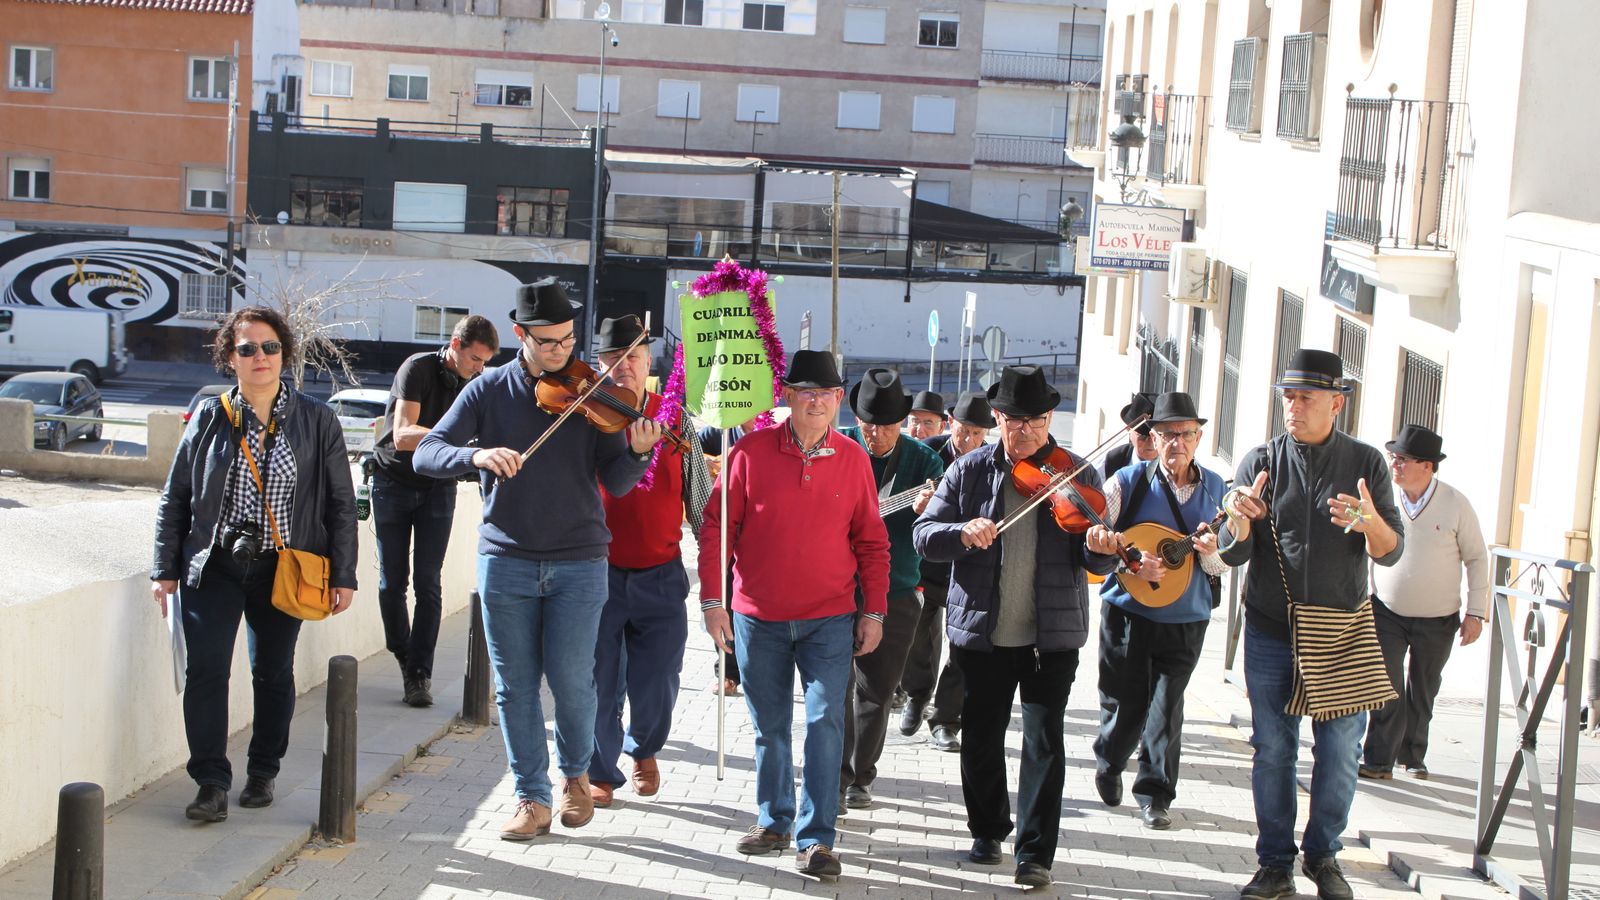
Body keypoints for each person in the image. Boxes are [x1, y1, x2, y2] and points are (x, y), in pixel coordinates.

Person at [413, 278, 663, 841]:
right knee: (514, 686)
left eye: (569, 341)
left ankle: (575, 777)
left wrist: (639, 453)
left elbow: (618, 483)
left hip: (579, 560)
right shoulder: (486, 391)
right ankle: (532, 797)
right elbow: (426, 453)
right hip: (506, 560)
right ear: (521, 335)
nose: (562, 353)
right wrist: (476, 454)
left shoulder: (590, 390)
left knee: (574, 681)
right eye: (548, 343)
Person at [912, 365, 1123, 889]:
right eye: (1014, 420)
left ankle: (1035, 854)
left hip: (1051, 635)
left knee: (1044, 742)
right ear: (998, 419)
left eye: (1037, 421)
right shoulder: (969, 471)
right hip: (983, 632)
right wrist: (962, 532)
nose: (1026, 431)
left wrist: (1102, 552)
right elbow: (924, 534)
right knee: (981, 736)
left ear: (1050, 418)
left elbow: (1096, 562)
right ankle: (987, 830)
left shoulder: (1077, 473)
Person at [151, 305, 357, 824]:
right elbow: (175, 496)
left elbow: (339, 502)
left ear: (284, 354)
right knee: (206, 673)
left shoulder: (317, 418)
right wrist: (164, 568)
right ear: (230, 357)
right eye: (247, 348)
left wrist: (344, 574)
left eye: (269, 347)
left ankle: (263, 769)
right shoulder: (208, 415)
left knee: (272, 673)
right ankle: (211, 783)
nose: (260, 357)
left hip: (282, 568)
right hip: (214, 564)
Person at [698, 349, 890, 883]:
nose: (814, 401)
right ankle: (774, 821)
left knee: (825, 721)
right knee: (770, 727)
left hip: (830, 618)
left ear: (837, 401)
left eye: (825, 393)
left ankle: (817, 839)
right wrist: (714, 602)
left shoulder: (853, 459)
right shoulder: (748, 452)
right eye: (804, 391)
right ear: (786, 396)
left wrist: (873, 609)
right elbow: (717, 529)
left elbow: (872, 542)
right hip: (757, 616)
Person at [1223, 349, 1405, 900]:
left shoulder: (1367, 463)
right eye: (1287, 397)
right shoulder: (1260, 461)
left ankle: (1324, 857)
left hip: (1342, 631)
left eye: (1305, 398)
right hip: (1272, 630)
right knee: (1273, 750)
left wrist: (1372, 522)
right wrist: (1238, 522)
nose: (1293, 407)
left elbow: (1390, 552)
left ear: (1336, 402)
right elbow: (1234, 557)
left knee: (1341, 750)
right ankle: (1275, 865)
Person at [1089, 392, 1247, 830]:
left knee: (1167, 705)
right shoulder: (1127, 481)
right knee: (1128, 703)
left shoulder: (1218, 489)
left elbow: (1220, 565)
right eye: (1166, 435)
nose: (1177, 442)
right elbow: (1098, 536)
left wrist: (1213, 550)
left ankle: (1156, 793)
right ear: (1152, 439)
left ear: (1198, 438)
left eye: (1185, 434)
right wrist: (1132, 558)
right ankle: (1110, 755)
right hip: (1129, 612)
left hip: (1187, 616)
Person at [587, 315, 713, 808]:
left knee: (659, 676)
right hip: (595, 570)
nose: (625, 368)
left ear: (648, 363)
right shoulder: (584, 415)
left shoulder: (675, 419)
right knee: (599, 678)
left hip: (661, 572)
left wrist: (715, 564)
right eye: (614, 360)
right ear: (600, 364)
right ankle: (600, 769)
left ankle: (644, 749)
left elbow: (698, 495)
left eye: (634, 359)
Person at [372, 314, 499, 708]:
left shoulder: (476, 384)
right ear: (456, 344)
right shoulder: (417, 368)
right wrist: (453, 439)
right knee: (392, 582)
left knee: (429, 583)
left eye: (485, 363)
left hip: (439, 487)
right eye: (475, 359)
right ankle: (403, 652)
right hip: (393, 482)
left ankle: (419, 674)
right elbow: (403, 434)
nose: (479, 369)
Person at [837, 368, 944, 811]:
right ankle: (834, 774)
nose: (876, 434)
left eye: (885, 426)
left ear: (902, 422)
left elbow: (938, 527)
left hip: (897, 588)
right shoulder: (836, 445)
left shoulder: (924, 462)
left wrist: (926, 510)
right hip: (834, 586)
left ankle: (861, 776)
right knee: (834, 688)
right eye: (868, 425)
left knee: (876, 690)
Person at [1360, 424, 1487, 781]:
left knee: (1423, 688)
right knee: (1385, 685)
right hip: (1386, 611)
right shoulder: (1383, 500)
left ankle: (1412, 757)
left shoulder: (1455, 503)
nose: (1395, 465)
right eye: (1394, 458)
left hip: (1438, 617)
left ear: (1428, 466)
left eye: (1404, 459)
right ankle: (1378, 760)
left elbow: (1477, 558)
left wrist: (1476, 613)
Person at [901, 391, 996, 751]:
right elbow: (916, 507)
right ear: (950, 423)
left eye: (977, 432)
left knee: (962, 647)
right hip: (929, 564)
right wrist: (920, 505)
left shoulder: (993, 461)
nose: (968, 439)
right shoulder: (931, 454)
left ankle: (945, 719)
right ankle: (916, 694)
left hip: (970, 566)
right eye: (963, 429)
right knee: (918, 633)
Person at [698, 419, 749, 696]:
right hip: (730, 529)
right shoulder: (722, 431)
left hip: (760, 532)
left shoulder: (775, 430)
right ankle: (728, 671)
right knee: (725, 600)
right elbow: (690, 448)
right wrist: (709, 462)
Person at [1101, 392, 1158, 477]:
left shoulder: (1174, 466)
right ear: (1129, 429)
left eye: (1155, 437)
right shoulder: (1112, 461)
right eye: (1143, 436)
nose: (1151, 443)